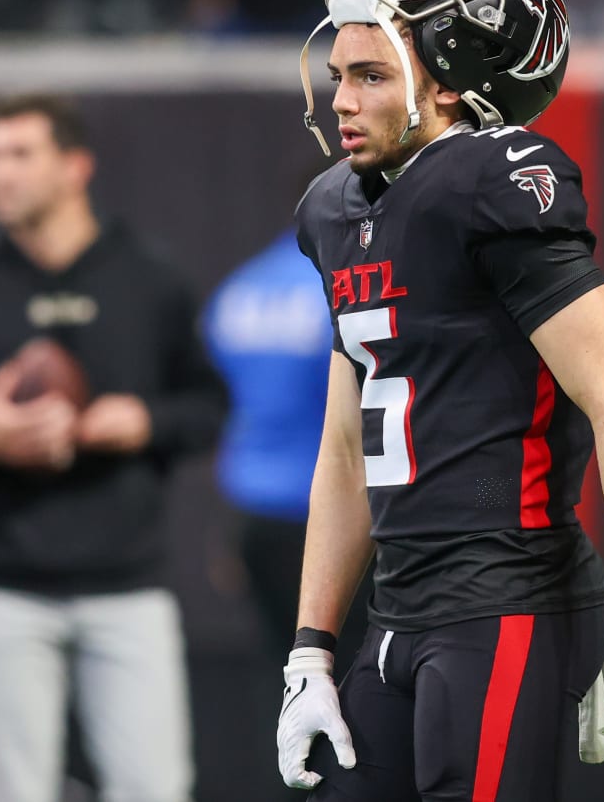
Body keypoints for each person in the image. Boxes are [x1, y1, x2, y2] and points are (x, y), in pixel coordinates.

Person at [276, 0, 604, 801]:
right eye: (339, 78)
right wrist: (310, 649)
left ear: (446, 85)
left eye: (370, 76)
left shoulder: (490, 181)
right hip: (398, 609)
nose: (342, 101)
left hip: (505, 598)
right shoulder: (335, 211)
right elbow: (342, 446)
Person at [0, 93, 228, 802]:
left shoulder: (149, 278)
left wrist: (145, 421)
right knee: (14, 791)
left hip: (127, 585)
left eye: (20, 155)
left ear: (76, 166)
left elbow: (209, 408)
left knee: (154, 787)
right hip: (3, 588)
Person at [202, 226, 370, 801]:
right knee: (351, 690)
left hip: (257, 522)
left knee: (285, 685)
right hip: (336, 523)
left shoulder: (241, 288)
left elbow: (230, 404)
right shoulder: (347, 288)